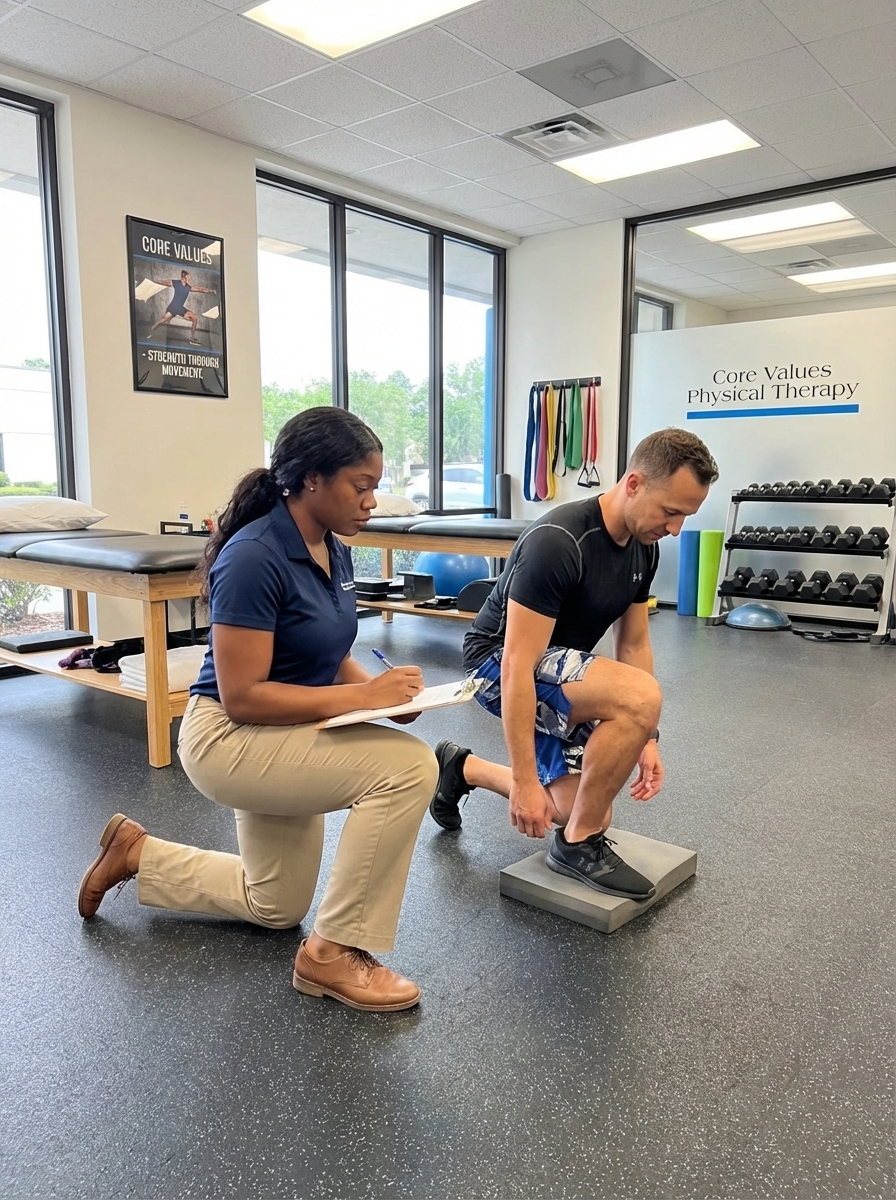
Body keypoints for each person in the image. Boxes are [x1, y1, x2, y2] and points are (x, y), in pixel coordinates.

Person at [78, 408, 438, 1012]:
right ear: (311, 480)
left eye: (375, 486)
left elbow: (327, 648)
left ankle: (139, 853)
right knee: (409, 768)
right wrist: (361, 699)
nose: (373, 501)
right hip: (229, 737)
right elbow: (243, 696)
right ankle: (331, 956)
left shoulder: (331, 545)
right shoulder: (253, 556)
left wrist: (382, 695)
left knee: (275, 904)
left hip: (288, 727)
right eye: (362, 485)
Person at [429, 428, 718, 900]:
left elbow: (634, 646)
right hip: (496, 665)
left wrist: (647, 732)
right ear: (634, 483)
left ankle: (462, 768)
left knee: (582, 807)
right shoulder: (559, 541)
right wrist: (523, 779)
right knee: (634, 703)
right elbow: (517, 665)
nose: (675, 529)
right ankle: (576, 848)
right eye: (671, 512)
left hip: (559, 673)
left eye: (685, 516)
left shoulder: (645, 547)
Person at [148, 269, 215, 345]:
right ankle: (151, 332)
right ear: (183, 278)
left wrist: (210, 291)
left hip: (180, 308)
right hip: (173, 308)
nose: (189, 280)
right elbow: (164, 282)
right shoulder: (176, 283)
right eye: (188, 278)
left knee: (195, 318)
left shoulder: (188, 287)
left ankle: (192, 339)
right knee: (161, 321)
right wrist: (153, 281)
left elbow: (200, 289)